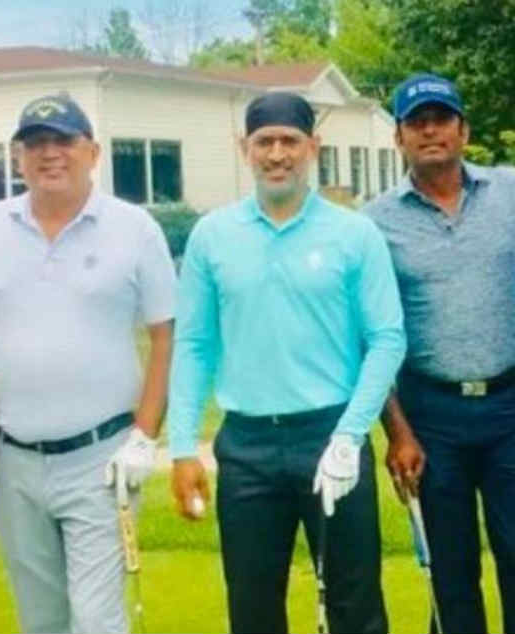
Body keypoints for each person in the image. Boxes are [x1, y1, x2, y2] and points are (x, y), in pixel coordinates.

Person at [167, 91, 406, 634]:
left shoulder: (354, 233)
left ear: (313, 147)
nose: (277, 154)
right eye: (264, 142)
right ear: (244, 149)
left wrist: (349, 435)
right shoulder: (213, 236)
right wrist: (182, 446)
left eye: (290, 141)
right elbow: (195, 344)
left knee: (355, 604)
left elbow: (387, 340)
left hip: (331, 434)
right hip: (246, 446)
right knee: (252, 607)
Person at [0, 93, 177, 634]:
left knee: (97, 620)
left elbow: (166, 336)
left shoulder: (133, 227)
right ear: (17, 158)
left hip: (102, 457)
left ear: (92, 152)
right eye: (35, 144)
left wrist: (145, 437)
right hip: (14, 459)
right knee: (41, 619)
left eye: (63, 141)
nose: (49, 154)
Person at [363, 73, 515, 634]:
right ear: (399, 137)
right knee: (451, 572)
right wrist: (397, 431)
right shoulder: (374, 223)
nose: (431, 131)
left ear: (463, 131)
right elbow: (367, 336)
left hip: (509, 406)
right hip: (429, 413)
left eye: (441, 119)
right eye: (417, 123)